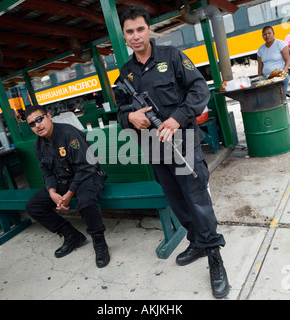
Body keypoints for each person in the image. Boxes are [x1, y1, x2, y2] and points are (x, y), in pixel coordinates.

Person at [115, 6, 229, 299]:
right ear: (124, 35)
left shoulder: (172, 57)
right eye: (129, 31)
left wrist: (177, 118)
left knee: (197, 199)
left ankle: (214, 255)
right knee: (177, 201)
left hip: (183, 142)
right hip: (154, 148)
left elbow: (200, 90)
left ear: (149, 29)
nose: (136, 35)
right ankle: (197, 242)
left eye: (140, 29)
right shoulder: (125, 74)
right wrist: (130, 118)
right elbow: (119, 112)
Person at [25, 104, 110, 268]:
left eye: (39, 119)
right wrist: (52, 191)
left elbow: (86, 166)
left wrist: (70, 193)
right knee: (34, 206)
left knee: (85, 201)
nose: (37, 125)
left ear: (49, 116)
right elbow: (47, 172)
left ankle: (99, 242)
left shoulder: (68, 133)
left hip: (89, 175)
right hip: (66, 180)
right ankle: (71, 235)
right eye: (32, 124)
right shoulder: (39, 144)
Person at [257, 26, 290, 95]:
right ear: (262, 36)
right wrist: (260, 79)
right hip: (267, 80)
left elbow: (287, 59)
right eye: (264, 34)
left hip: (280, 78)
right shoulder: (260, 49)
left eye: (269, 33)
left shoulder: (280, 44)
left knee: (281, 98)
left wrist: (285, 69)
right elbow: (260, 66)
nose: (267, 36)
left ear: (273, 34)